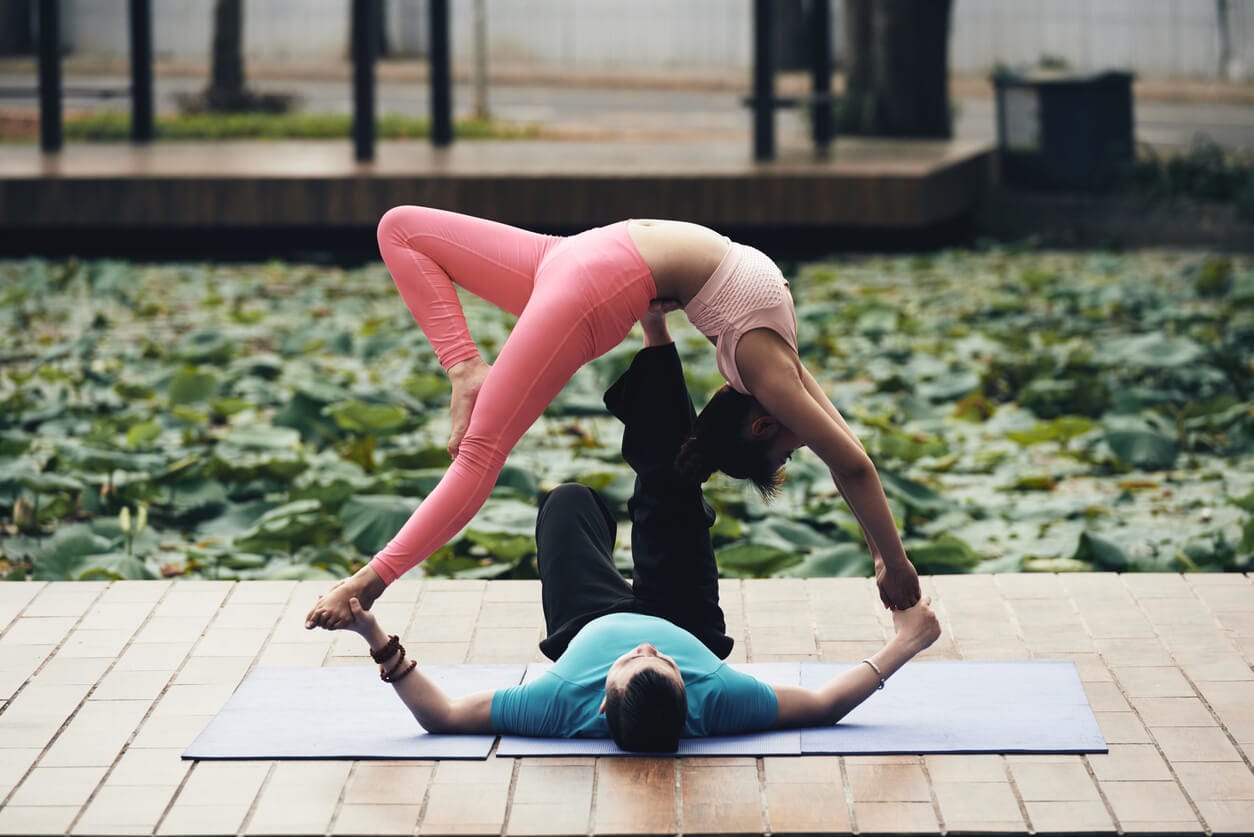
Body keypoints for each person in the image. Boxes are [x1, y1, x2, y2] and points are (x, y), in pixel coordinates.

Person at [343, 314, 941, 751]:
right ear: (689, 694)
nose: (649, 649)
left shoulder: (557, 706)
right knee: (671, 487)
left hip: (586, 620)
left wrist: (373, 632)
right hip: (685, 615)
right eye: (665, 664)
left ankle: (650, 344)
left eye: (635, 661)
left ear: (601, 697)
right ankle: (655, 330)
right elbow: (825, 705)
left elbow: (442, 717)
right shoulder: (717, 700)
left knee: (567, 503)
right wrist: (909, 640)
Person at [306, 208, 921, 631]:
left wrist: (885, 555)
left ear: (760, 424)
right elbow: (853, 460)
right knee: (402, 228)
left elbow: (847, 459)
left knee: (480, 454)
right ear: (762, 427)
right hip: (581, 257)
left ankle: (369, 580)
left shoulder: (768, 371)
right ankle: (464, 367)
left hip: (595, 280)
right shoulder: (772, 369)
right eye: (789, 456)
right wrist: (890, 562)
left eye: (790, 452)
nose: (801, 442)